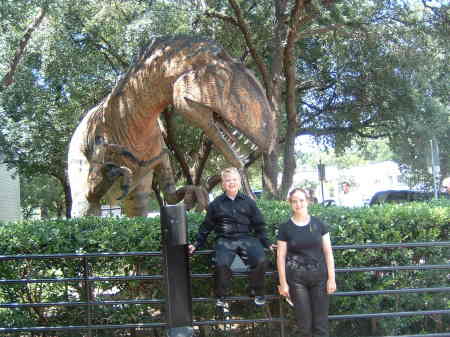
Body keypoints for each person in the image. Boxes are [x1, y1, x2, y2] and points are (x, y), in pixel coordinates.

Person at [188, 167, 271, 307]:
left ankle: (256, 291)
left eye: (234, 180)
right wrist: (196, 244)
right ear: (223, 184)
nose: (231, 183)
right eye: (227, 180)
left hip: (246, 238)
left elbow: (259, 225)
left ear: (239, 182)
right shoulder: (216, 204)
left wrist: (267, 243)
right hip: (225, 240)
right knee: (221, 264)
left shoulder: (249, 202)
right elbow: (206, 226)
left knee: (261, 260)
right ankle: (221, 295)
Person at [277, 188, 336, 337]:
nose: (298, 204)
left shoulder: (319, 224)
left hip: (320, 278)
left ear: (308, 201)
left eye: (301, 200)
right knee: (304, 325)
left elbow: (328, 252)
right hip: (296, 280)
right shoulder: (285, 228)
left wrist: (332, 278)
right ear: (290, 203)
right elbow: (281, 256)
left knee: (321, 325)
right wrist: (283, 283)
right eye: (294, 201)